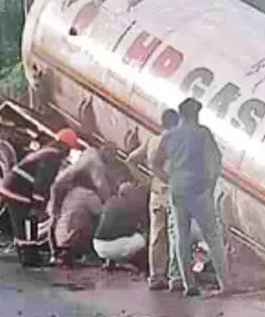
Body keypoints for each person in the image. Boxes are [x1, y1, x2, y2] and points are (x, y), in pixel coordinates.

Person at [150, 98, 230, 296]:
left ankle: (188, 284)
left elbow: (155, 163)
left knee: (181, 237)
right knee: (212, 235)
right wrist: (210, 184)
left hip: (177, 191)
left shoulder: (170, 136)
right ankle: (225, 284)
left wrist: (169, 180)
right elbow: (216, 159)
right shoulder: (203, 133)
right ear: (196, 113)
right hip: (200, 190)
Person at [0, 130, 81, 266]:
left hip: (11, 186)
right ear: (65, 146)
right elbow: (43, 181)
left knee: (20, 223)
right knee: (29, 221)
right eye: (70, 148)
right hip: (19, 190)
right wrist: (38, 205)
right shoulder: (53, 156)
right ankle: (30, 257)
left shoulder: (47, 150)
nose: (69, 152)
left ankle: (23, 253)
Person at [127, 109, 181, 291]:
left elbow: (131, 160)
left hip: (156, 194)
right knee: (176, 236)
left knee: (157, 236)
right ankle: (176, 277)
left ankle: (156, 276)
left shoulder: (152, 141)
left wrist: (146, 181)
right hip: (175, 194)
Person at [92, 181, 150, 269]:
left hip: (98, 246)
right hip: (118, 247)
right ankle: (139, 264)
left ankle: (110, 261)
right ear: (129, 194)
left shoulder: (109, 201)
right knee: (143, 237)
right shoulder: (131, 205)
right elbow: (140, 226)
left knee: (117, 233)